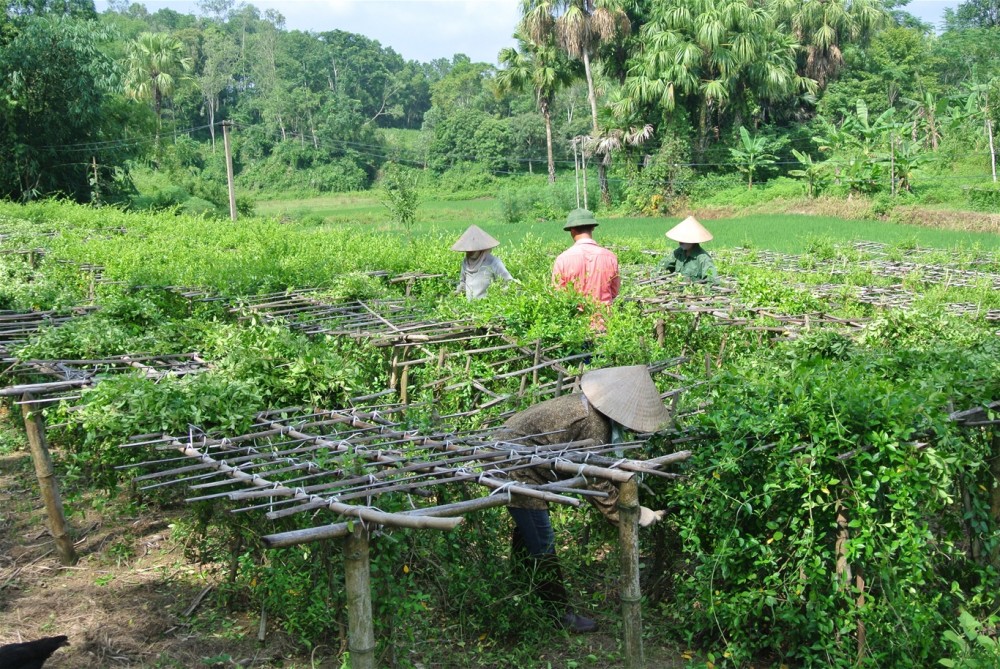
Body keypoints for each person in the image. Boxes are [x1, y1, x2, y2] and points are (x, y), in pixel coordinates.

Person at [493, 365, 670, 634]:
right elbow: (595, 479)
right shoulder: (594, 423)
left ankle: (521, 594)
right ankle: (558, 614)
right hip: (515, 463)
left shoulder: (586, 406)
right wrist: (631, 515)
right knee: (541, 539)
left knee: (529, 530)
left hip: (511, 451)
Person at [552, 209, 620, 328]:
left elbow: (558, 295)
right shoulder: (610, 257)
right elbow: (614, 292)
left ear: (572, 230)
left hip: (575, 326)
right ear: (592, 228)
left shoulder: (562, 259)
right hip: (605, 325)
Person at [451, 225, 514, 300]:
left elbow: (509, 283)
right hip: (469, 306)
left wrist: (497, 297)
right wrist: (458, 291)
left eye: (473, 250)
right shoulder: (466, 262)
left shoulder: (494, 262)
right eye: (468, 250)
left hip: (487, 306)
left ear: (481, 249)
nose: (470, 252)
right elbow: (463, 282)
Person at [659, 215, 717, 282]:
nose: (680, 242)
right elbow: (662, 265)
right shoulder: (678, 252)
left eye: (684, 240)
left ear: (693, 240)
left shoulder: (703, 259)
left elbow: (712, 280)